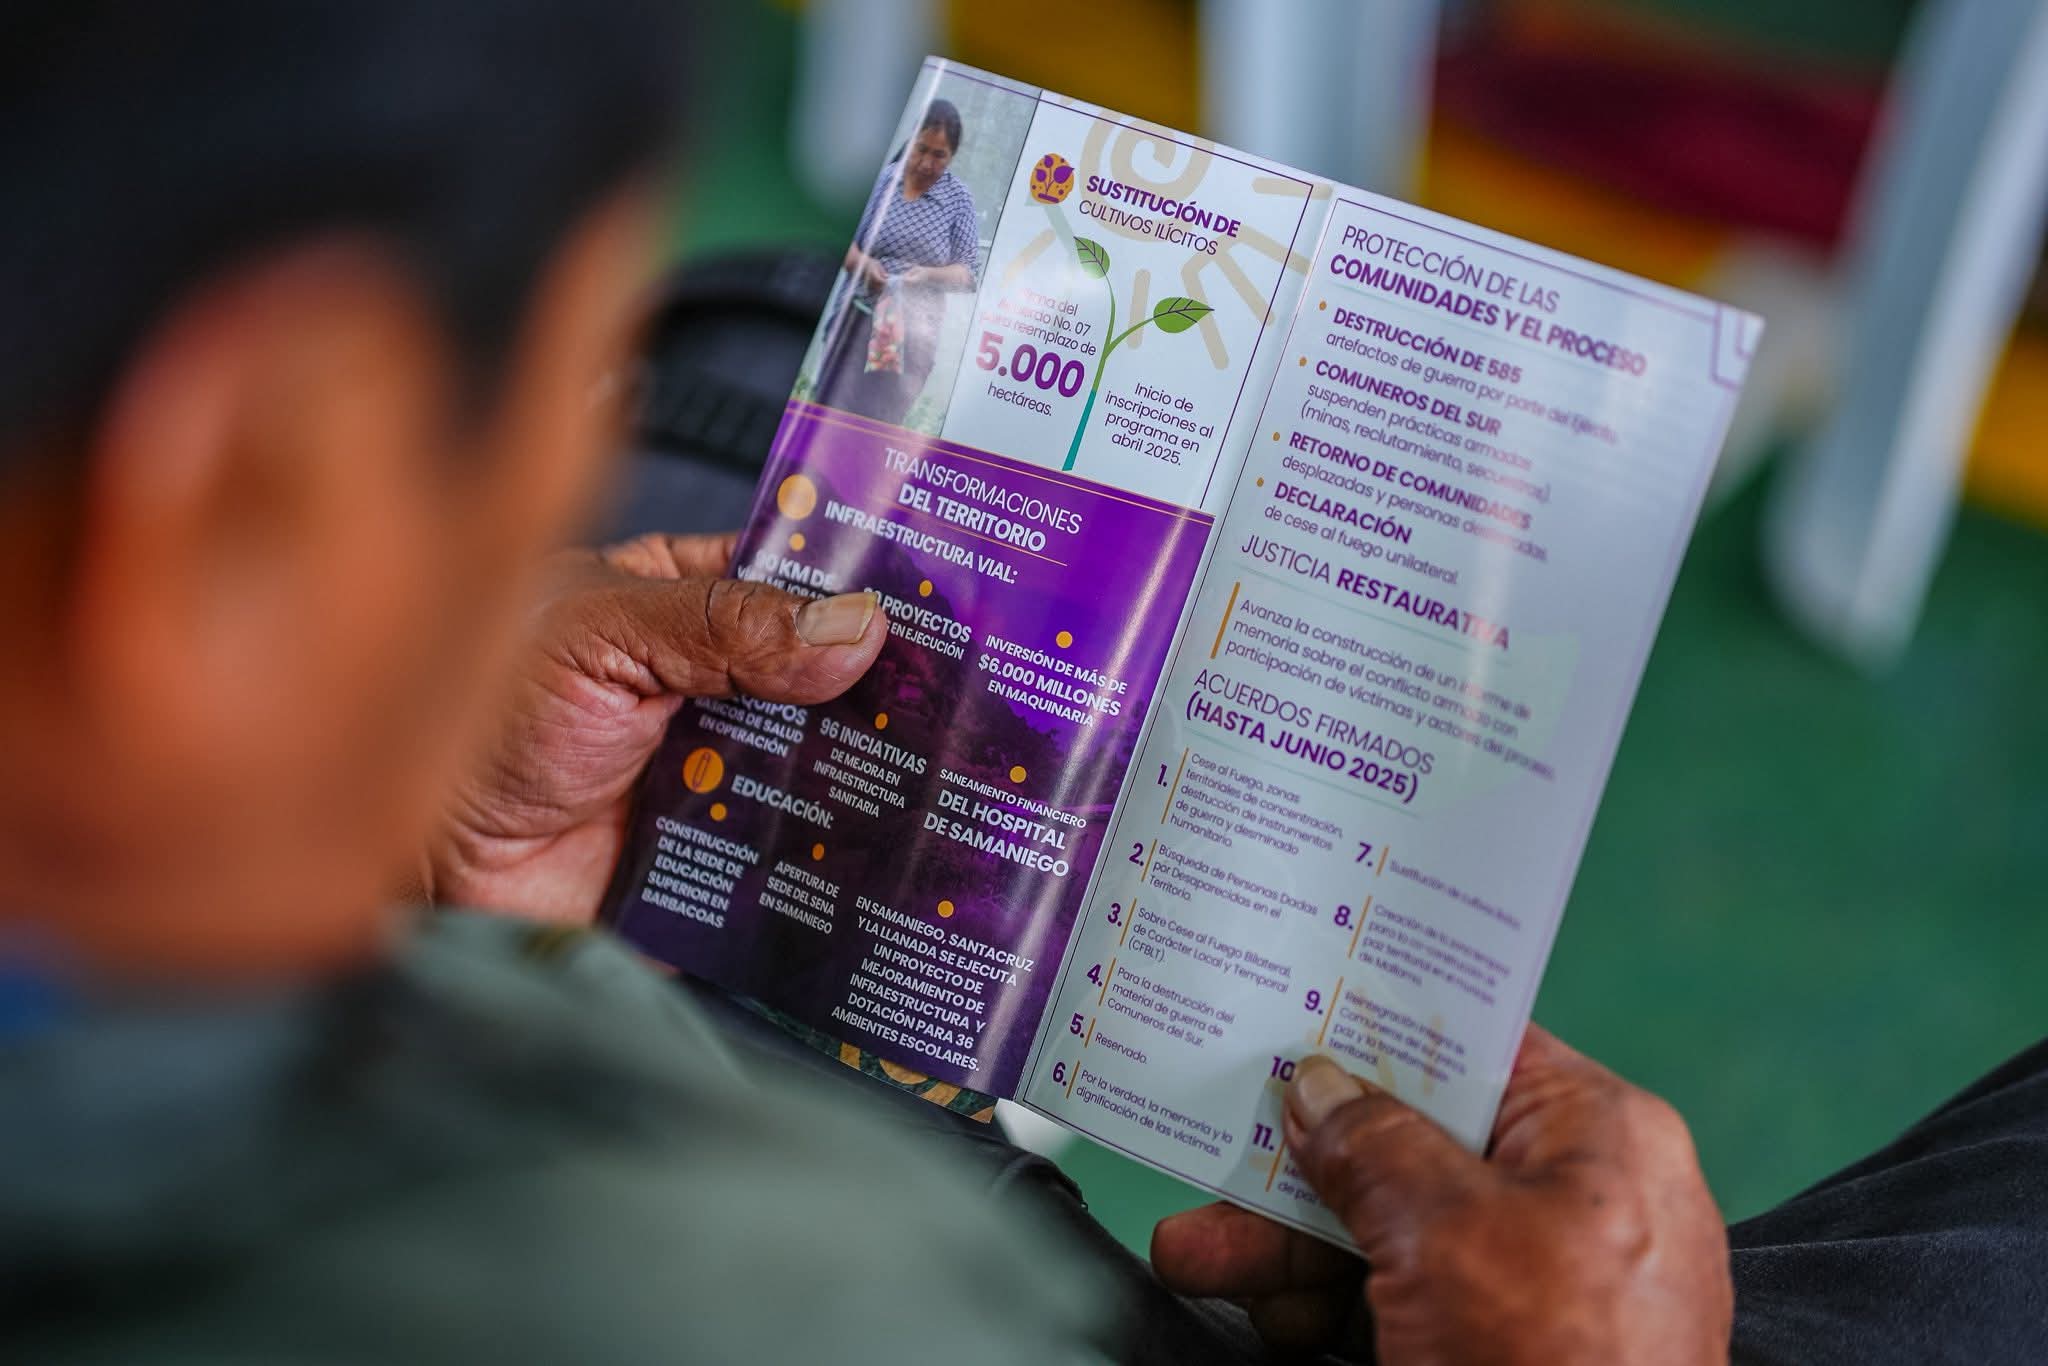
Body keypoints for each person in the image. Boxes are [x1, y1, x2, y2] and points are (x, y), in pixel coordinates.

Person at [3, 4, 2047, 1364]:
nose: (552, 483)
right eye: (547, 379)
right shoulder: (725, 1295)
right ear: (252, 467)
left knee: (781, 364)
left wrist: (480, 912)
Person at [813, 97, 979, 428]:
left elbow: (968, 273)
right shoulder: (880, 182)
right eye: (921, 149)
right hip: (856, 320)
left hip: (913, 338)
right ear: (912, 140)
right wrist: (863, 264)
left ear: (952, 155)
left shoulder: (958, 200)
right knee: (828, 415)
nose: (927, 163)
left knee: (878, 425)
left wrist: (928, 275)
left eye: (939, 155)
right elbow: (840, 241)